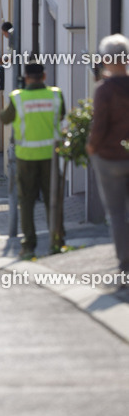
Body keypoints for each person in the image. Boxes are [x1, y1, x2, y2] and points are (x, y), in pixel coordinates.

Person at [0, 61, 65, 259]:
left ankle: (29, 246)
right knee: (53, 199)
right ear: (44, 76)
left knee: (27, 201)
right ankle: (57, 242)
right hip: (51, 156)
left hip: (26, 157)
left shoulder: (18, 98)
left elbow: (4, 119)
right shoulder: (55, 95)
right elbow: (62, 115)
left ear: (26, 77)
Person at [86, 35, 129, 290]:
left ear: (105, 59)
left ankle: (125, 265)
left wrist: (91, 147)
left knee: (116, 213)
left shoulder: (104, 90)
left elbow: (99, 126)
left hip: (110, 158)